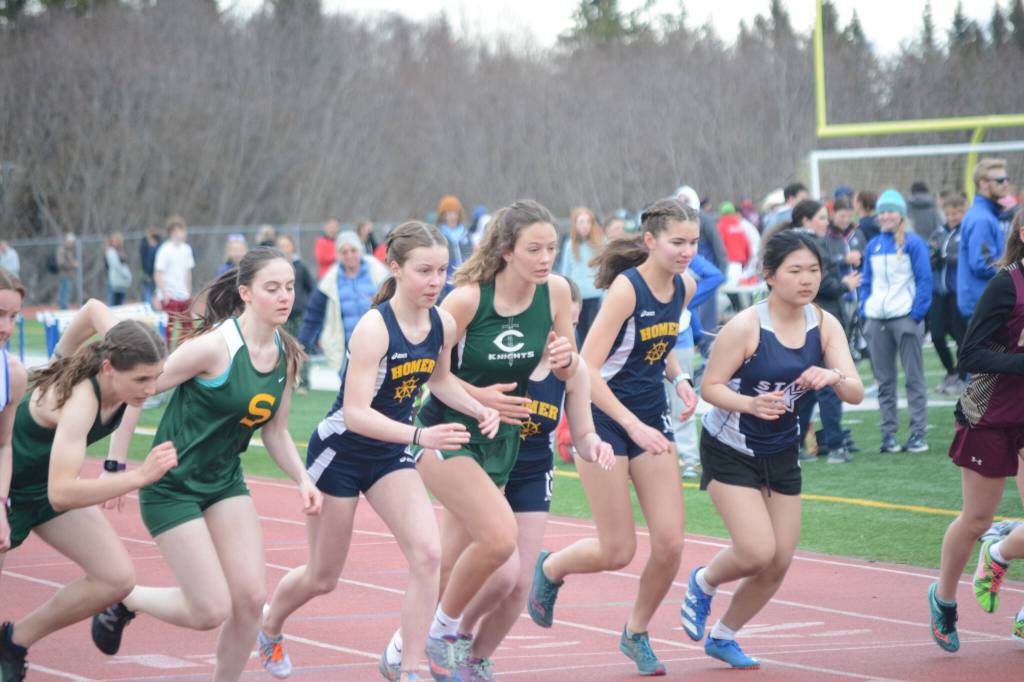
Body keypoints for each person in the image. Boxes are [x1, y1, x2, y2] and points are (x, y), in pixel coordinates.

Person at [258, 222, 500, 682]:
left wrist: (480, 406)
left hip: (390, 454)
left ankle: (407, 667)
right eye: (424, 271)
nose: (435, 281)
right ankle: (269, 625)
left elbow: (440, 380)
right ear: (395, 267)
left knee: (428, 555)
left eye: (442, 270)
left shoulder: (442, 323)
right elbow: (354, 414)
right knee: (323, 577)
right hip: (342, 452)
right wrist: (418, 437)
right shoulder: (374, 327)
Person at [90, 247, 323, 682]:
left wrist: (303, 478)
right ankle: (128, 599)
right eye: (272, 288)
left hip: (223, 484)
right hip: (172, 485)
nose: (285, 296)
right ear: (246, 294)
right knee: (210, 610)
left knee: (252, 600)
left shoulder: (287, 355)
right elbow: (138, 387)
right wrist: (116, 465)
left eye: (290, 287)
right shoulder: (213, 348)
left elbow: (274, 431)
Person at [404, 200, 577, 680]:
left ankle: (405, 648)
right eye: (535, 249)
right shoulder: (466, 300)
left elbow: (572, 368)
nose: (546, 259)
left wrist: (566, 359)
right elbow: (432, 378)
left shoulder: (557, 293)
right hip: (450, 433)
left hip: (504, 442)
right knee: (500, 540)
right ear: (506, 250)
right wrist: (481, 399)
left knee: (455, 563)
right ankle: (442, 633)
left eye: (553, 248)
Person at [528, 198, 700, 676]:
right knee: (618, 549)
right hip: (602, 419)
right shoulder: (627, 290)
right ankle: (550, 568)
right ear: (650, 242)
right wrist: (631, 425)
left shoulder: (685, 285)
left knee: (670, 545)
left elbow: (660, 343)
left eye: (693, 242)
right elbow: (586, 369)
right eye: (677, 242)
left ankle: (637, 632)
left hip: (649, 418)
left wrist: (680, 380)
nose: (687, 251)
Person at [682, 230, 863, 670]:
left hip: (782, 449)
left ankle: (724, 636)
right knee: (756, 551)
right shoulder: (746, 326)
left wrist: (833, 376)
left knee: (779, 561)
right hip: (731, 446)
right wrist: (750, 403)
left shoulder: (825, 324)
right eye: (795, 270)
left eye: (814, 270)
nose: (806, 280)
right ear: (769, 276)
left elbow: (855, 390)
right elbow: (710, 387)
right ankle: (704, 581)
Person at [0, 294, 177, 682]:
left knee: (116, 578)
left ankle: (12, 642)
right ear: (110, 368)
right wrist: (135, 477)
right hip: (7, 487)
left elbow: (95, 307)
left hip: (41, 490)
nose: (150, 391)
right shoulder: (81, 398)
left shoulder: (124, 344)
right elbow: (61, 493)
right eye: (141, 380)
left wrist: (59, 354)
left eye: (156, 378)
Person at [447, 276, 614, 681]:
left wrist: (594, 447)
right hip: (485, 461)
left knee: (519, 583)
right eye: (556, 325)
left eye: (571, 327)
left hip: (532, 468)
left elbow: (583, 430)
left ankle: (476, 658)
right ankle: (449, 633)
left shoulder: (572, 372)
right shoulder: (505, 357)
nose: (560, 337)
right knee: (492, 570)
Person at [928, 208, 1024, 653]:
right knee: (977, 519)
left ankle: (1003, 567)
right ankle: (944, 598)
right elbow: (970, 355)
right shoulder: (1006, 284)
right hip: (991, 413)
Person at [785, 200, 861, 463]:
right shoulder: (811, 245)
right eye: (820, 217)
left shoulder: (789, 244)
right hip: (818, 321)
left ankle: (795, 445)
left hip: (800, 322)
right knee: (829, 384)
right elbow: (822, 285)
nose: (825, 222)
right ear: (805, 221)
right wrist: (845, 284)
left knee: (805, 387)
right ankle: (835, 445)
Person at [859, 189, 932, 453]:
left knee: (914, 378)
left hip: (905, 319)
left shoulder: (913, 243)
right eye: (882, 211)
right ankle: (888, 434)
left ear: (900, 213)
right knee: (884, 381)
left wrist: (916, 314)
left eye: (890, 210)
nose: (886, 215)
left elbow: (925, 280)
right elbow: (866, 281)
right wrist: (864, 308)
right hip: (876, 320)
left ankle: (918, 434)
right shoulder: (873, 245)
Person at [297, 231, 390, 375]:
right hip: (346, 349)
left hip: (379, 343)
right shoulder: (328, 282)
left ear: (360, 250)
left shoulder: (379, 272)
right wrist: (302, 346)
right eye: (344, 252)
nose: (349, 255)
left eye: (353, 250)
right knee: (349, 394)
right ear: (338, 255)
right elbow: (313, 316)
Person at [666, 254, 724, 479]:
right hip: (647, 341)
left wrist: (687, 300)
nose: (686, 248)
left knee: (683, 401)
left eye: (692, 242)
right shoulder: (646, 259)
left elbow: (714, 276)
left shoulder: (687, 259)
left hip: (679, 339)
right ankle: (654, 456)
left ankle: (689, 459)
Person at [959, 158, 1013, 319]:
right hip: (985, 306)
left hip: (988, 303)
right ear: (982, 184)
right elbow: (984, 264)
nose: (1005, 184)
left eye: (1006, 179)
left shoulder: (986, 215)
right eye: (999, 180)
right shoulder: (982, 219)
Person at [929, 192, 968, 394]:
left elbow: (964, 256)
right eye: (949, 213)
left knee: (961, 336)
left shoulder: (966, 231)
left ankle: (963, 377)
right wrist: (933, 258)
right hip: (939, 292)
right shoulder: (938, 232)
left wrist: (945, 256)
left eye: (956, 213)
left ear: (963, 212)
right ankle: (951, 371)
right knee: (936, 334)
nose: (952, 217)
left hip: (957, 292)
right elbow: (931, 253)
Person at [556, 207, 604, 343]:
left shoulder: (601, 243)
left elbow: (606, 270)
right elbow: (565, 272)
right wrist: (567, 296)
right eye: (581, 222)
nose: (584, 226)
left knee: (594, 332)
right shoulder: (570, 245)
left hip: (596, 296)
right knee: (580, 334)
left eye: (588, 222)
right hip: (579, 297)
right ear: (575, 225)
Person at [275, 234, 315, 392]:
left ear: (292, 247)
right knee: (281, 349)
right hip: (281, 316)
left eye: (287, 245)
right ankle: (285, 382)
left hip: (299, 314)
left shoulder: (301, 267)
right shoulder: (273, 269)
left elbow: (312, 288)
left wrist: (305, 305)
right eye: (281, 245)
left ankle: (303, 382)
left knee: (301, 347)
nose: (284, 248)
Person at [154, 216, 195, 349]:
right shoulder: (165, 250)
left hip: (183, 295)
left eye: (183, 230)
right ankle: (167, 353)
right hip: (170, 296)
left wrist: (189, 292)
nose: (183, 233)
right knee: (169, 328)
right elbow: (158, 273)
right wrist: (165, 293)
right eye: (180, 230)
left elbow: (188, 272)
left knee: (188, 327)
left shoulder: (187, 249)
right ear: (172, 232)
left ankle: (188, 351)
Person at [437, 195, 474, 296]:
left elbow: (470, 256)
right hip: (447, 280)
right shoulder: (438, 234)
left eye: (455, 213)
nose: (452, 217)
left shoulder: (465, 234)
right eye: (448, 213)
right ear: (443, 215)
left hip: (464, 278)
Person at [105, 232, 133, 307]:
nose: (116, 242)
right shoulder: (111, 251)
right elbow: (116, 266)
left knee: (120, 304)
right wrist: (125, 275)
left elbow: (125, 265)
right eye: (114, 240)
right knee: (113, 304)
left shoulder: (121, 251)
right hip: (114, 280)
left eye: (117, 240)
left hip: (122, 282)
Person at [139, 227, 162, 306]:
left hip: (152, 275)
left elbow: (150, 263)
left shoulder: (154, 249)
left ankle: (148, 309)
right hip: (155, 275)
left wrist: (148, 275)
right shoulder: (160, 248)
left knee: (148, 294)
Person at [56, 233, 79, 310]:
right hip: (64, 275)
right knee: (64, 293)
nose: (71, 244)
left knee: (66, 293)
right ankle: (63, 309)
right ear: (66, 241)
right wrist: (72, 265)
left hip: (68, 276)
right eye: (70, 242)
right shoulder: (62, 250)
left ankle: (64, 308)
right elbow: (61, 263)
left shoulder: (69, 250)